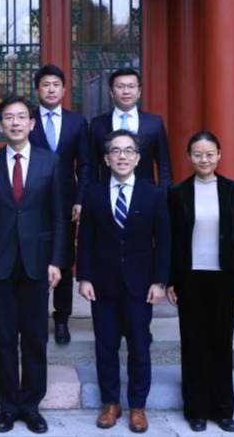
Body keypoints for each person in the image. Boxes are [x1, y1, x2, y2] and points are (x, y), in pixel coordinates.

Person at [0, 96, 64, 435]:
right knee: (4, 337)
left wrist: (56, 260)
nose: (15, 123)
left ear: (32, 123)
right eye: (8, 118)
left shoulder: (50, 161)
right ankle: (8, 406)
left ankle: (31, 405)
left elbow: (59, 217)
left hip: (37, 262)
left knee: (36, 337)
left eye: (21, 117)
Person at [77, 130, 170, 433]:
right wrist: (84, 277)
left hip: (140, 285)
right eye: (115, 151)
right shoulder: (93, 194)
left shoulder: (153, 194)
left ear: (138, 158)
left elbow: (164, 242)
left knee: (139, 347)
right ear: (106, 159)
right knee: (105, 346)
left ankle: (138, 406)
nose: (122, 156)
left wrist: (160, 281)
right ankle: (110, 403)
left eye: (128, 151)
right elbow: (85, 239)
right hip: (102, 284)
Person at [167, 131, 234, 434]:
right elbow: (172, 240)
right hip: (189, 277)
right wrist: (170, 280)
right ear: (189, 157)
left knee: (221, 343)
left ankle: (223, 410)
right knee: (193, 344)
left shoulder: (233, 190)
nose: (203, 159)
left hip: (226, 277)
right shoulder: (177, 192)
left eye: (209, 154)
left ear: (219, 155)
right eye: (197, 154)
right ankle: (196, 410)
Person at [28, 64, 92, 345]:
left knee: (63, 258)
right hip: (32, 200)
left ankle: (62, 317)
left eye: (56, 85)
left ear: (64, 90)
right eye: (45, 85)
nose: (51, 89)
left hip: (66, 200)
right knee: (34, 257)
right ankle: (35, 316)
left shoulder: (77, 122)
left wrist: (81, 199)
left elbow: (86, 164)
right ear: (37, 90)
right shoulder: (27, 119)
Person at [89, 68, 172, 188]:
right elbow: (92, 166)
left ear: (139, 92)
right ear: (111, 92)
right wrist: (91, 194)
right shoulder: (97, 124)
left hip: (146, 192)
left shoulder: (154, 123)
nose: (126, 91)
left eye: (131, 86)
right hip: (108, 192)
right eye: (120, 87)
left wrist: (165, 194)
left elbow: (164, 165)